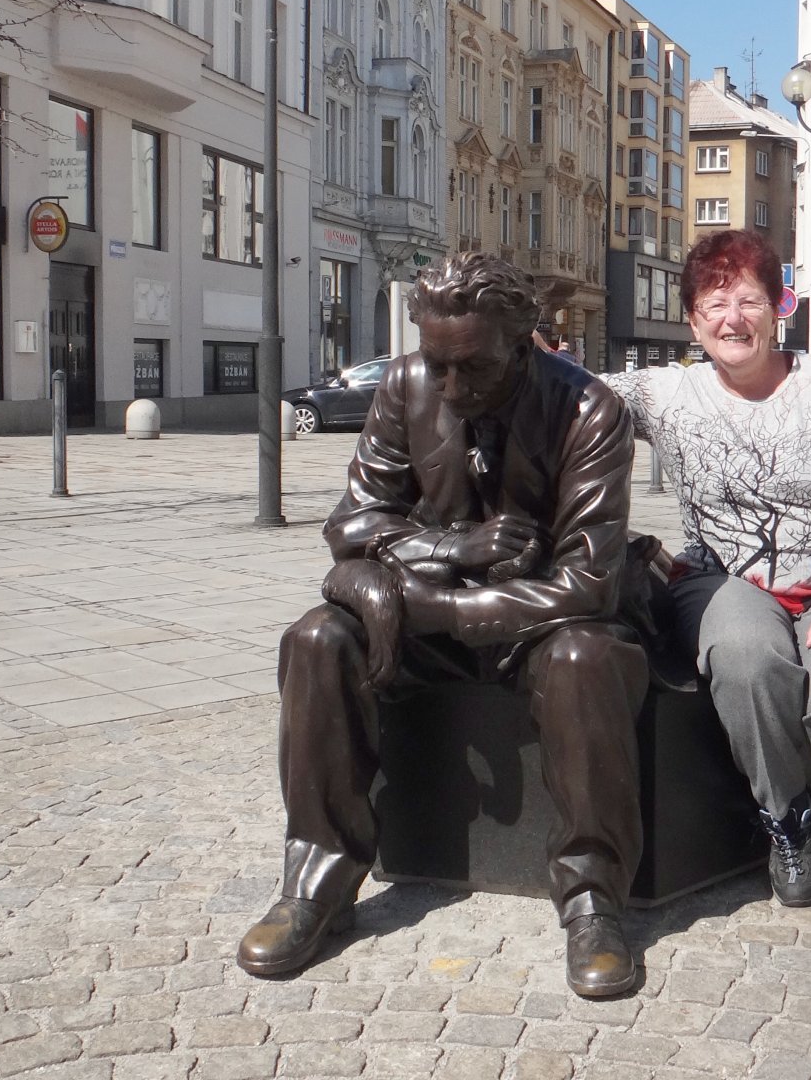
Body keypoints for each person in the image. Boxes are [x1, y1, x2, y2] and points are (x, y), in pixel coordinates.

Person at [238, 254, 646, 997]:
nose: (452, 389)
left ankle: (593, 898)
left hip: (538, 632)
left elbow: (588, 582)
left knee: (586, 659)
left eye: (475, 370)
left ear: (523, 346)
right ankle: (317, 883)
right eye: (438, 366)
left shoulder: (590, 410)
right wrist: (449, 547)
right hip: (420, 619)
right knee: (316, 639)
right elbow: (354, 525)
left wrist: (435, 606)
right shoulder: (406, 385)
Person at [602, 228, 811, 908]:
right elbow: (568, 390)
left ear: (777, 309)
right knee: (746, 655)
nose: (731, 318)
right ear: (692, 321)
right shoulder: (668, 394)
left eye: (747, 300)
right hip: (722, 580)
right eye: (713, 303)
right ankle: (789, 819)